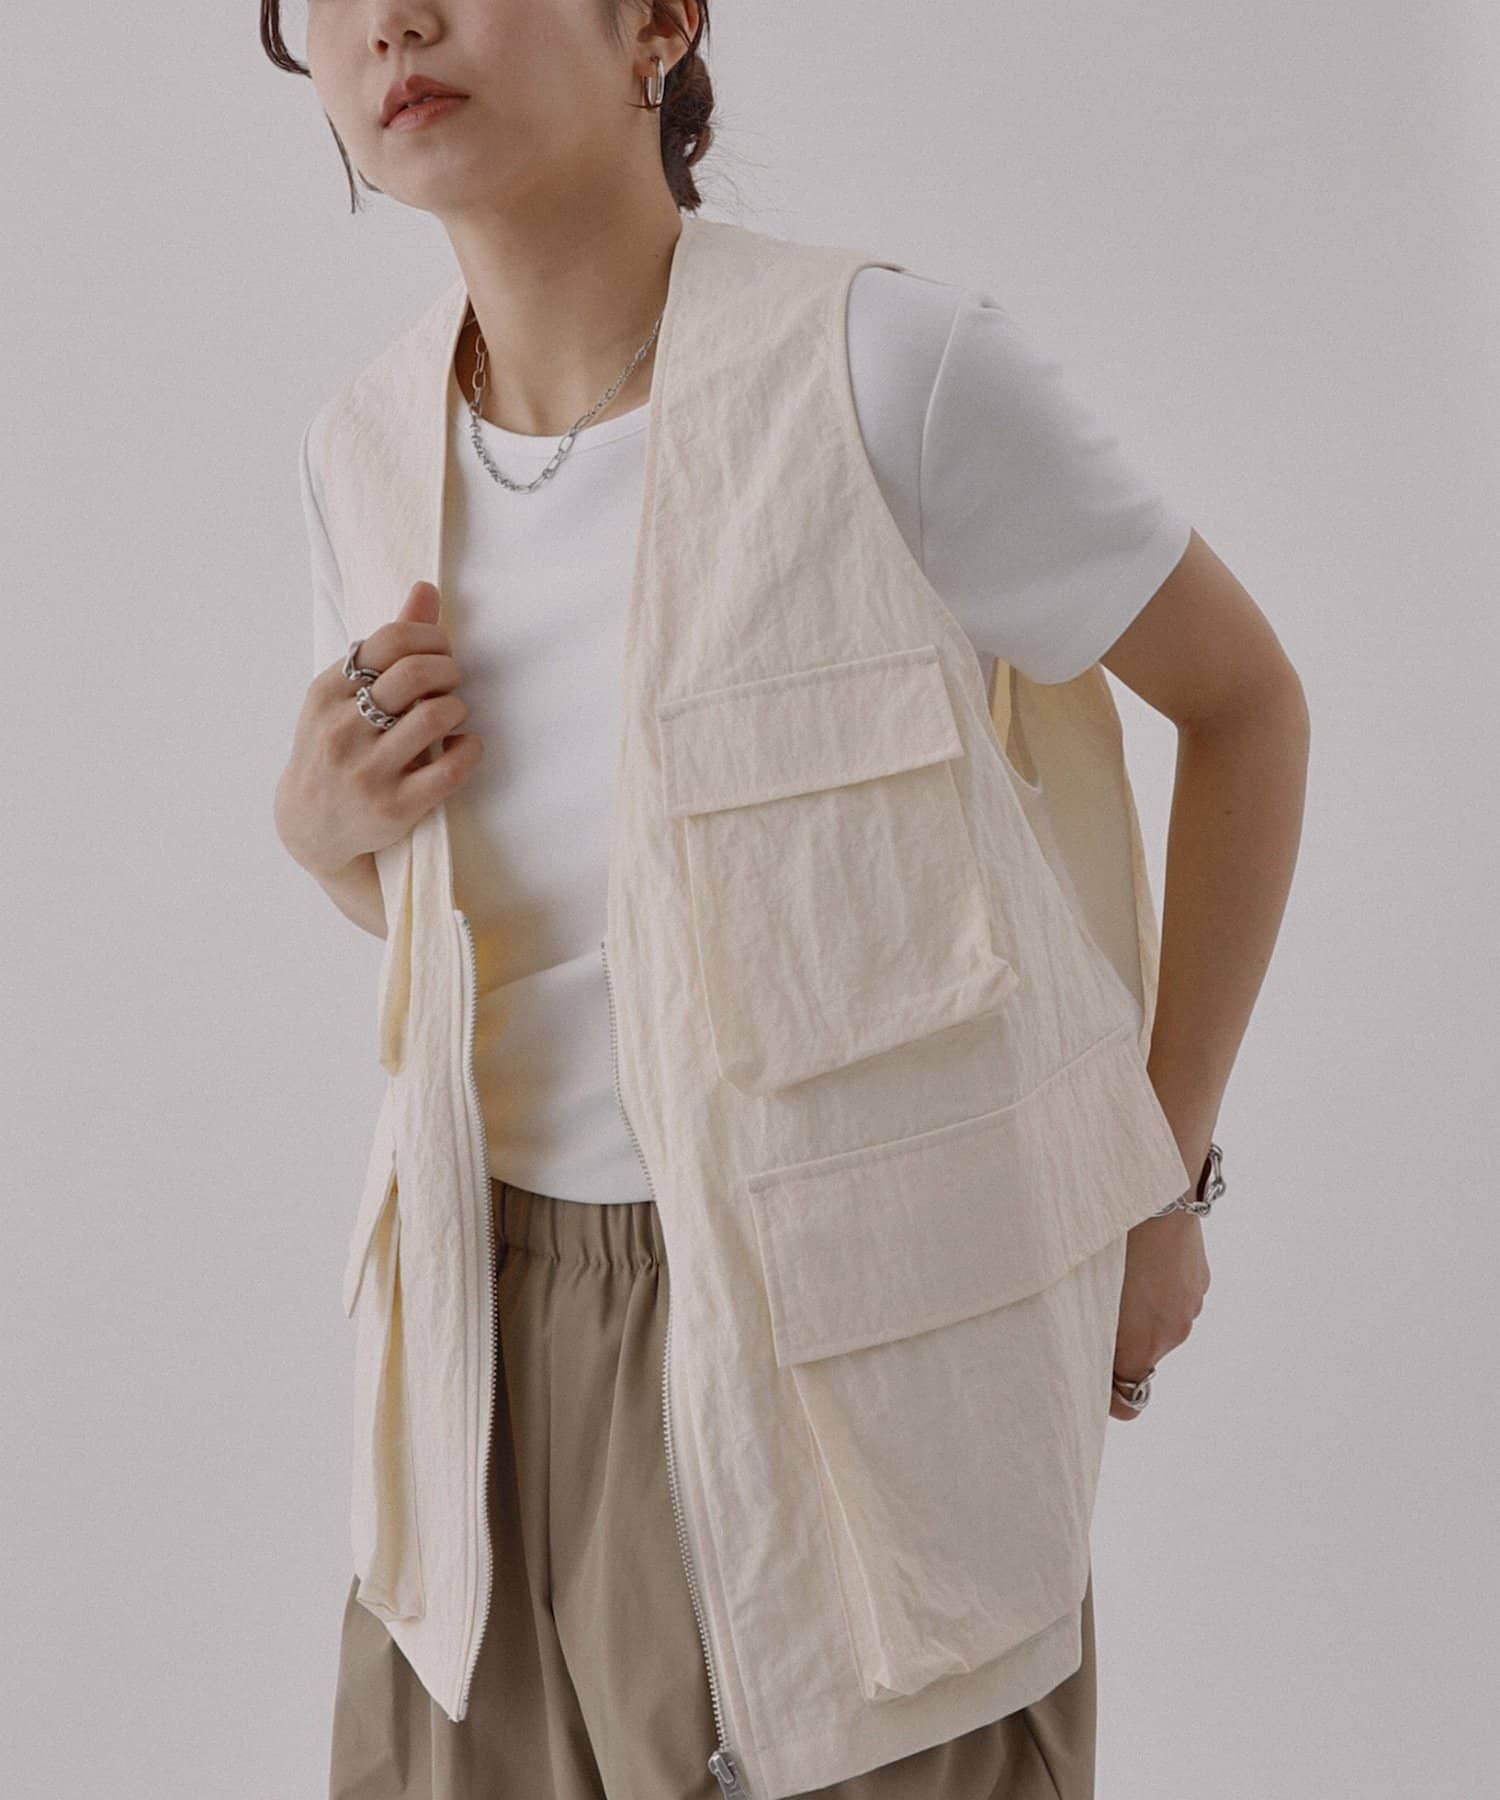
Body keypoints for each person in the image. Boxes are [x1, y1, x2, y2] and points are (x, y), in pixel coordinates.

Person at [268, 4, 1310, 1796]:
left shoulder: (886, 374)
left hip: (860, 1367)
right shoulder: (360, 456)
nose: (394, 23)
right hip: (476, 1355)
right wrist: (324, 840)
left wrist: (1162, 1172)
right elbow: (569, 936)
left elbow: (1246, 709)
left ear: (658, 22)